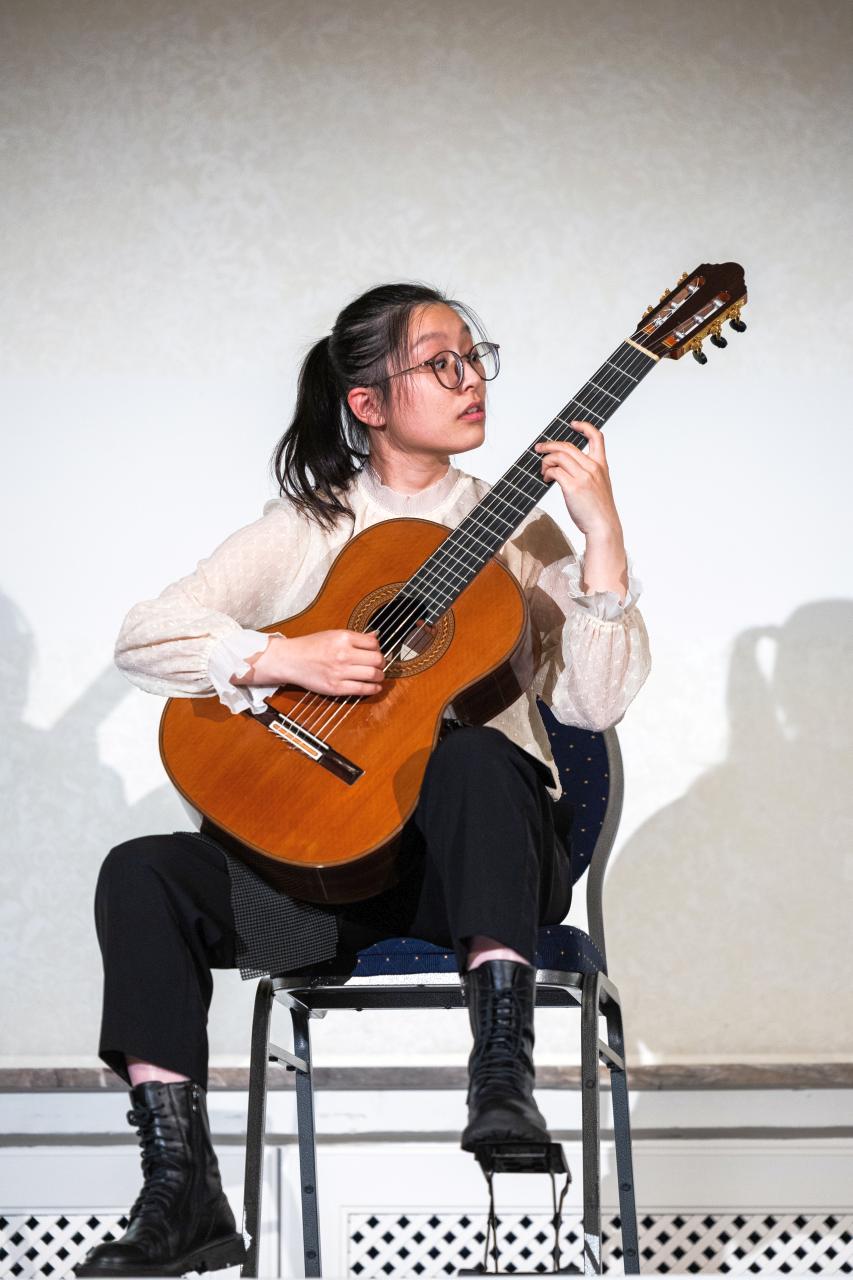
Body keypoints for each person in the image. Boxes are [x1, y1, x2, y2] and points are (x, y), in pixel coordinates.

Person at [76, 282, 651, 1277]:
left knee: (473, 755)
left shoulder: (517, 531)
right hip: (327, 887)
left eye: (475, 357)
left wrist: (600, 535)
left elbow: (594, 704)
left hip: (478, 879)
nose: (469, 380)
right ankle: (181, 1190)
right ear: (367, 401)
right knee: (141, 872)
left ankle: (501, 1077)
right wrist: (278, 655)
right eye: (440, 362)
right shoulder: (311, 525)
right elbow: (143, 636)